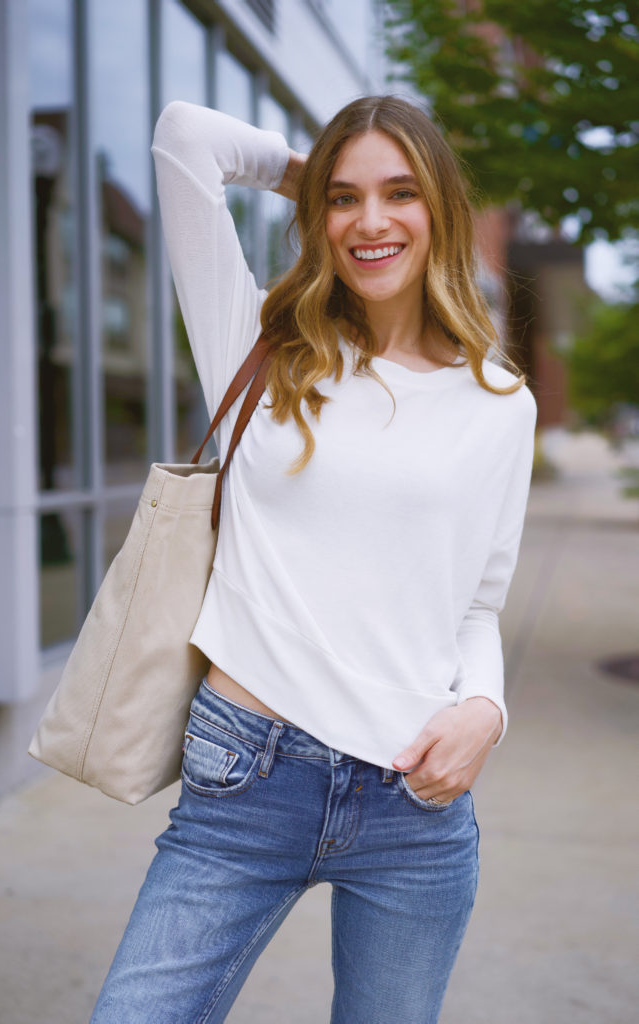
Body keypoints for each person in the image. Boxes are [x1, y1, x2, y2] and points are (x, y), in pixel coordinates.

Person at [90, 95, 536, 1024]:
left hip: (414, 803)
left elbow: (477, 604)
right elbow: (184, 136)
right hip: (245, 781)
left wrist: (486, 710)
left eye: (401, 195)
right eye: (345, 200)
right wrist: (313, 176)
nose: (370, 222)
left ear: (442, 211)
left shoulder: (499, 404)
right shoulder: (261, 343)